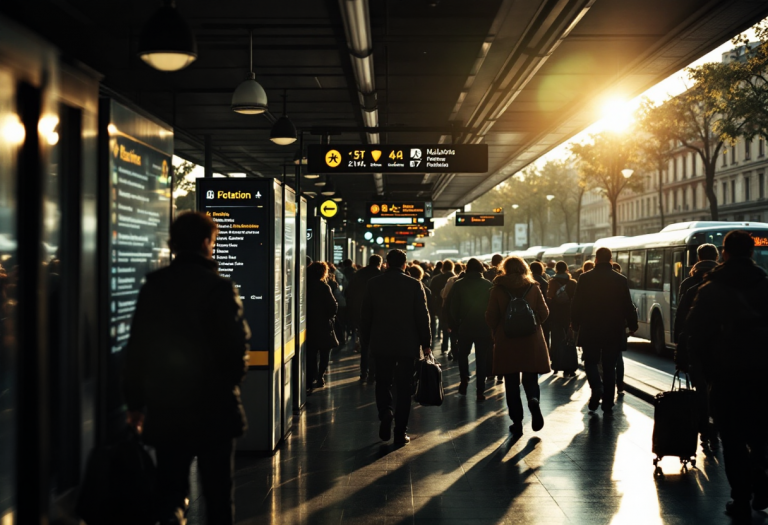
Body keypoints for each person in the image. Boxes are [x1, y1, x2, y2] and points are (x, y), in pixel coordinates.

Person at [124, 212, 250, 525]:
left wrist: (136, 403)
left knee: (169, 491)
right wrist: (226, 385)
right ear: (206, 242)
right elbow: (236, 347)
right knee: (219, 494)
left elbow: (138, 347)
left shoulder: (154, 286)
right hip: (214, 408)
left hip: (167, 405)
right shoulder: (219, 288)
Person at [687, 231, 768, 518]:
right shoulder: (765, 285)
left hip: (726, 376)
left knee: (732, 440)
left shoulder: (711, 289)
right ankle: (761, 483)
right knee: (760, 435)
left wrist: (707, 369)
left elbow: (694, 331)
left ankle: (741, 499)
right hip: (762, 374)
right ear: (752, 253)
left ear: (725, 253)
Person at [361, 249, 431, 445]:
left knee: (383, 382)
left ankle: (386, 411)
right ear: (404, 264)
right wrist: (426, 344)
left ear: (386, 263)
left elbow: (366, 315)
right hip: (407, 345)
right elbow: (422, 316)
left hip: (381, 343)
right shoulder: (414, 284)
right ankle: (400, 432)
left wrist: (365, 341)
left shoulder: (373, 283)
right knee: (404, 387)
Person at [485, 256, 550, 435]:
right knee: (530, 378)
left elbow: (490, 316)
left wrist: (498, 328)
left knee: (511, 383)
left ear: (504, 269)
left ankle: (517, 422)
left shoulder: (498, 289)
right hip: (531, 340)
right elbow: (545, 312)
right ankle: (534, 400)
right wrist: (533, 323)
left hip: (507, 341)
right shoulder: (533, 287)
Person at [570, 247, 638, 414]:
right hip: (613, 329)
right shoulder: (620, 279)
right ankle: (608, 402)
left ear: (596, 259)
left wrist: (575, 323)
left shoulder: (585, 278)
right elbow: (627, 304)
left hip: (590, 327)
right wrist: (632, 324)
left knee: (590, 361)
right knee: (609, 366)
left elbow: (577, 303)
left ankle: (596, 387)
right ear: (610, 259)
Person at [673, 243, 719, 450]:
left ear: (698, 257)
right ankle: (715, 429)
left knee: (700, 389)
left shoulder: (688, 284)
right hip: (719, 348)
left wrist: (679, 346)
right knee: (716, 389)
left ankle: (704, 430)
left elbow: (681, 318)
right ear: (717, 257)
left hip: (695, 346)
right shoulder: (723, 282)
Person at [449, 258, 493, 400]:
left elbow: (453, 307)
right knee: (481, 358)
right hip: (483, 327)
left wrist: (457, 324)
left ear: (467, 268)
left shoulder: (459, 284)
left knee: (463, 355)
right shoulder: (488, 285)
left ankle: (464, 379)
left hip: (465, 326)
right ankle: (480, 390)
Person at [345, 255, 383, 380]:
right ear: (379, 263)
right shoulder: (381, 276)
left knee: (364, 344)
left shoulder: (358, 274)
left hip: (360, 314)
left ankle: (363, 372)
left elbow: (349, 292)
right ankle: (372, 372)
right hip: (377, 316)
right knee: (375, 345)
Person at [307, 262, 339, 390]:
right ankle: (320, 376)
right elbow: (333, 306)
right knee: (325, 352)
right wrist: (330, 317)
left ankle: (311, 376)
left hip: (308, 325)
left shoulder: (305, 285)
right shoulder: (324, 287)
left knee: (311, 353)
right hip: (323, 324)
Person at [545, 261, 578, 377]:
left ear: (556, 269)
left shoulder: (552, 282)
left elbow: (549, 297)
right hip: (569, 315)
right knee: (569, 340)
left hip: (556, 315)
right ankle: (570, 367)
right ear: (566, 269)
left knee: (556, 340)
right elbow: (576, 300)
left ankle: (557, 364)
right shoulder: (572, 283)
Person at [430, 260, 455, 355]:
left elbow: (432, 293)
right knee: (454, 327)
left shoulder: (436, 279)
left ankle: (444, 346)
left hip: (440, 305)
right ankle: (453, 347)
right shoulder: (456, 279)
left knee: (444, 325)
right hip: (453, 306)